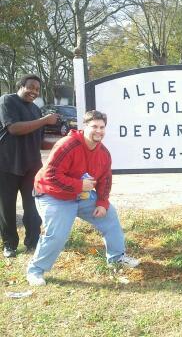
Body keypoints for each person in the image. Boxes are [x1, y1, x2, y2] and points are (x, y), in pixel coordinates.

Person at [26, 110, 140, 286]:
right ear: (85, 126)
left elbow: (105, 180)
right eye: (94, 126)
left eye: (102, 127)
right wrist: (79, 186)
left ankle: (117, 257)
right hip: (53, 194)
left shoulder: (104, 153)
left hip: (80, 194)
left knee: (109, 215)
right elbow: (51, 176)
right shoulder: (67, 145)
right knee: (57, 234)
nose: (98, 131)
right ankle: (35, 270)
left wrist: (102, 202)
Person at [0, 74, 58, 258]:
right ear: (21, 85)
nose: (34, 92)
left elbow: (39, 141)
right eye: (31, 87)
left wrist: (66, 141)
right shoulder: (7, 101)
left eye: (37, 89)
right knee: (6, 207)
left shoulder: (35, 110)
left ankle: (33, 242)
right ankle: (10, 244)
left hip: (32, 166)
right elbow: (14, 128)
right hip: (7, 164)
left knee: (32, 206)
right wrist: (45, 120)